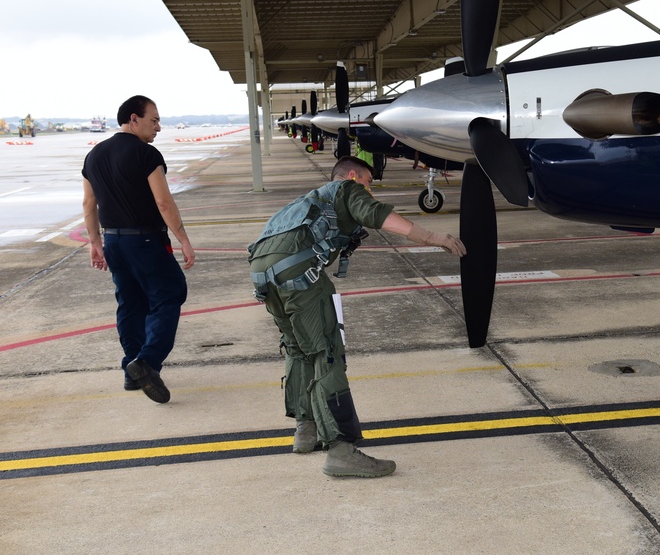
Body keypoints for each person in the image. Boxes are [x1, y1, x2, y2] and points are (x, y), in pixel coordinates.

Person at [248, 156, 465, 478]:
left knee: (298, 348)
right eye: (368, 183)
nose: (368, 191)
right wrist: (434, 238)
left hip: (262, 275)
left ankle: (305, 430)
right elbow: (378, 215)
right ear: (353, 176)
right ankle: (340, 450)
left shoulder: (308, 201)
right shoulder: (347, 189)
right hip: (299, 274)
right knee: (327, 353)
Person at [82, 95, 196, 404]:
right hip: (146, 241)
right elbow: (163, 201)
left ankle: (130, 368)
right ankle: (147, 363)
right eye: (154, 119)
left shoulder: (94, 156)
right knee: (170, 295)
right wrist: (183, 237)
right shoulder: (146, 154)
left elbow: (89, 204)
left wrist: (95, 243)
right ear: (134, 119)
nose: (159, 126)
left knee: (130, 304)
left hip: (115, 242)